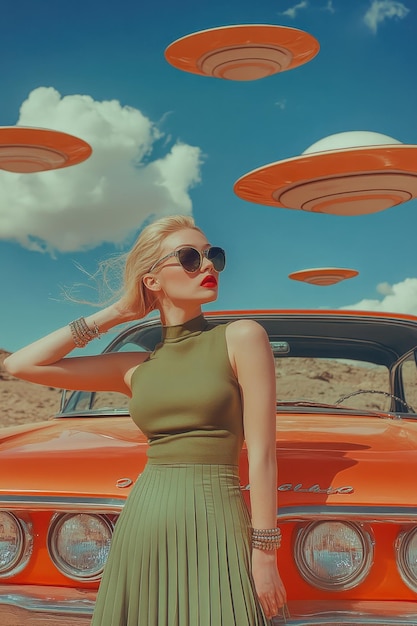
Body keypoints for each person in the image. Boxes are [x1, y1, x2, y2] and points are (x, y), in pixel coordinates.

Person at [4, 214, 287, 625]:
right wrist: (119, 311)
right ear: (151, 280)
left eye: (213, 256)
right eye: (190, 257)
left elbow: (262, 453)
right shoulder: (136, 367)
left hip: (217, 517)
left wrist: (264, 553)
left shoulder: (241, 337)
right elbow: (21, 364)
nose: (207, 266)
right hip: (146, 521)